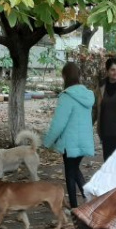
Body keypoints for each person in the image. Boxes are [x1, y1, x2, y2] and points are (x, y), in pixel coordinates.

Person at [43, 62, 95, 208]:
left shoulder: (67, 96)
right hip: (83, 142)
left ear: (64, 76)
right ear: (78, 76)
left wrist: (47, 142)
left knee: (70, 174)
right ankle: (88, 198)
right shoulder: (87, 95)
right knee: (74, 169)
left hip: (70, 144)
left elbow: (58, 123)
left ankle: (74, 207)